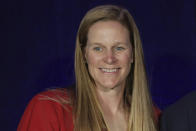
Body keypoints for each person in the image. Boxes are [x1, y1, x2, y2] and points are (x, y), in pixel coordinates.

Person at [17, 5, 160, 131]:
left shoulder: (154, 117)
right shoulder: (49, 110)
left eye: (119, 48)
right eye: (98, 48)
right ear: (84, 54)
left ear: (133, 54)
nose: (109, 58)